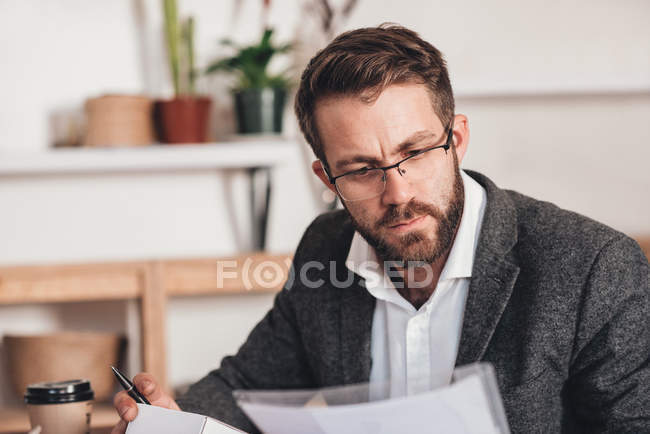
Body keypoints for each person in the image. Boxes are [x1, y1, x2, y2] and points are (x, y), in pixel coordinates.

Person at [111, 24, 649, 434]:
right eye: (363, 169)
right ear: (327, 177)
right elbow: (248, 384)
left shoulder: (594, 268)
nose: (398, 193)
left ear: (456, 139)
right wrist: (175, 417)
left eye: (414, 153)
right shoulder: (325, 247)